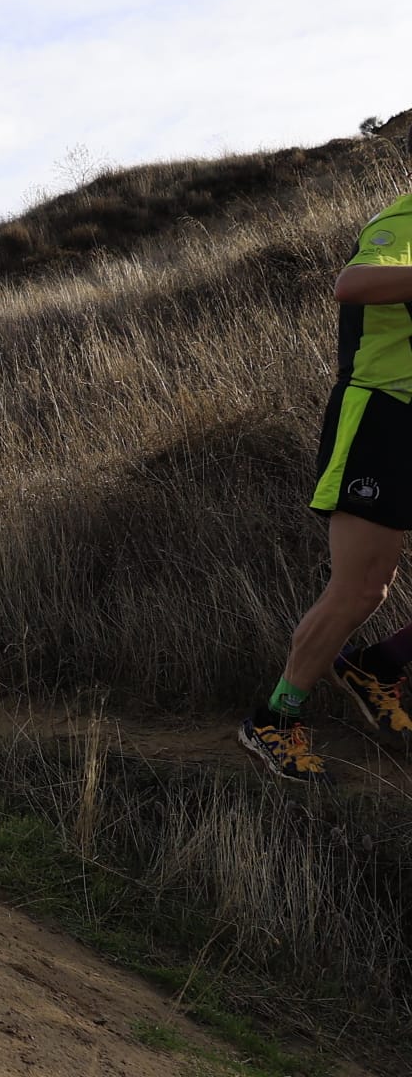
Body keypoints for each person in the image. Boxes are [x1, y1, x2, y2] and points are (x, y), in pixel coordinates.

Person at [242, 127, 412, 783]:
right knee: (361, 586)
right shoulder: (403, 221)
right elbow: (351, 283)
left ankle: (380, 666)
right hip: (380, 414)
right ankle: (274, 717)